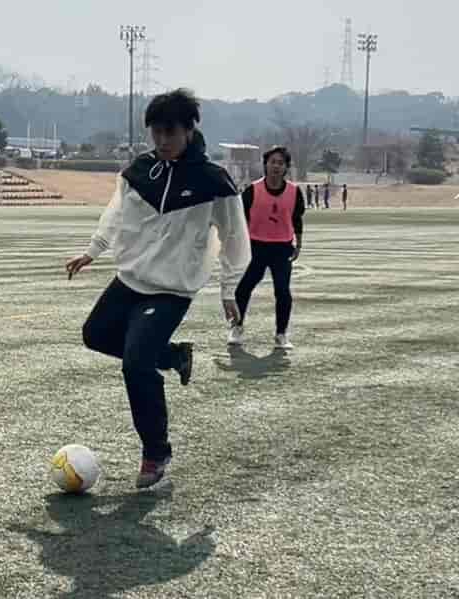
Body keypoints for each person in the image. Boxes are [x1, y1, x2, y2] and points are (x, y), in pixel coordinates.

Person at [65, 89, 250, 489]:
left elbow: (235, 237)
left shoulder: (214, 182)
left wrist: (229, 290)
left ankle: (156, 453)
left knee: (135, 363)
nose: (162, 140)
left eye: (170, 132)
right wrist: (93, 250)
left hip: (171, 290)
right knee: (95, 334)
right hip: (130, 279)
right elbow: (115, 214)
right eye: (156, 132)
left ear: (189, 130)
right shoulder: (139, 171)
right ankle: (173, 356)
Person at [227, 146, 305, 350]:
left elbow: (297, 219)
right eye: (272, 162)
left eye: (281, 163)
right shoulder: (252, 190)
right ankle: (236, 328)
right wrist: (238, 244)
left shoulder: (294, 192)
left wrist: (298, 243)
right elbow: (239, 220)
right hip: (255, 247)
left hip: (282, 247)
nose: (276, 166)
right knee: (243, 288)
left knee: (283, 291)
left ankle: (281, 334)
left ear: (286, 167)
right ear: (265, 165)